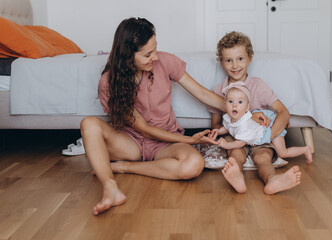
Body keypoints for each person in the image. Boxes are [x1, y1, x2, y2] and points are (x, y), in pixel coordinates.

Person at [80, 18, 267, 215]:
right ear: (128, 56)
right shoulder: (109, 82)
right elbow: (143, 128)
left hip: (165, 143)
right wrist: (190, 139)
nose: (155, 57)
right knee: (89, 124)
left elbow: (202, 93)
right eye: (147, 54)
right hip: (130, 143)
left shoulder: (165, 61)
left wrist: (248, 114)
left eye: (155, 49)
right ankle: (110, 186)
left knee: (194, 165)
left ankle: (125, 167)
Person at [208, 31, 309, 194]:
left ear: (250, 58)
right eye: (228, 60)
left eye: (240, 59)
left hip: (259, 135)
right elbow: (216, 124)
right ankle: (237, 177)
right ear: (221, 62)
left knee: (263, 158)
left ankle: (272, 180)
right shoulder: (218, 90)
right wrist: (220, 131)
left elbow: (283, 112)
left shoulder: (258, 85)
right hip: (235, 135)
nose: (235, 66)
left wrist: (270, 134)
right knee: (236, 155)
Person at [210, 82, 313, 165]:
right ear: (225, 104)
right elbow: (228, 127)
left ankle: (305, 150)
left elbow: (240, 143)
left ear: (247, 108)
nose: (235, 105)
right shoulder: (229, 118)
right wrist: (218, 131)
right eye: (230, 101)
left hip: (269, 129)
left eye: (240, 102)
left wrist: (227, 145)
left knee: (282, 153)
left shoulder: (244, 124)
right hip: (261, 130)